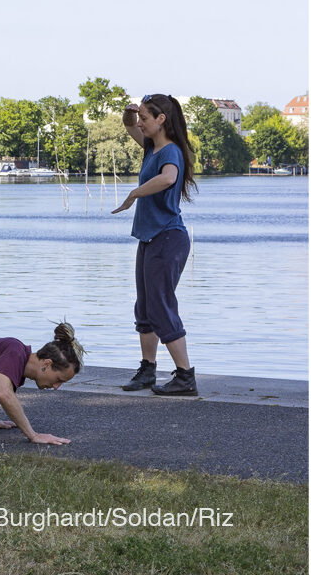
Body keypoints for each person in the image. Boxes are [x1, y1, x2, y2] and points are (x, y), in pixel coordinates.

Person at [111, 94, 197, 396]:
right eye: (141, 117)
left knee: (161, 306)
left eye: (146, 118)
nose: (141, 123)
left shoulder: (169, 152)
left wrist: (135, 194)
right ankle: (148, 371)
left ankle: (185, 376)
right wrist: (130, 113)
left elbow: (169, 179)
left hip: (168, 237)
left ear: (161, 120)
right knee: (145, 307)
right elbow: (129, 126)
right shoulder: (151, 147)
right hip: (150, 238)